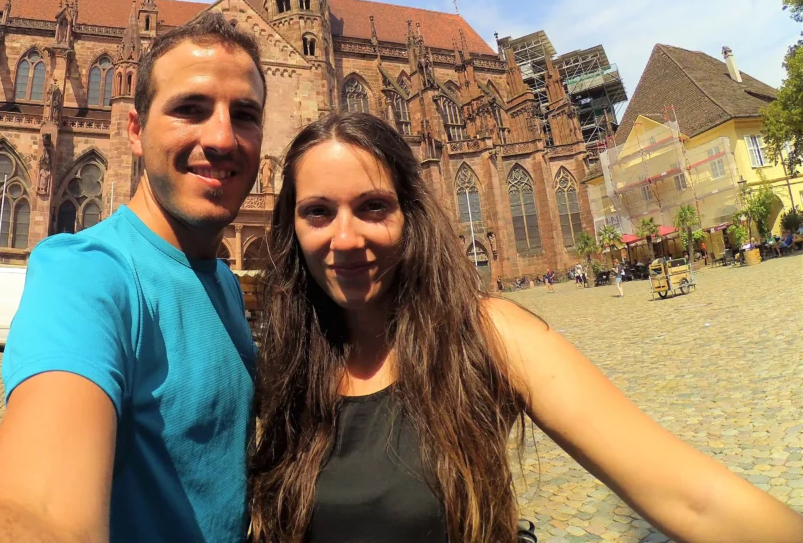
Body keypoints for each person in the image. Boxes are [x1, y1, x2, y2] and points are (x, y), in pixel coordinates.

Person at [247, 113, 803, 542]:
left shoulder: (484, 334)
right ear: (290, 225)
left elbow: (695, 499)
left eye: (373, 207)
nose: (346, 239)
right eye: (318, 211)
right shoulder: (285, 363)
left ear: (411, 215)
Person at [0, 11, 266, 543]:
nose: (221, 137)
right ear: (134, 129)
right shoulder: (86, 272)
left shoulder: (225, 282)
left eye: (244, 114)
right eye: (189, 109)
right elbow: (32, 505)